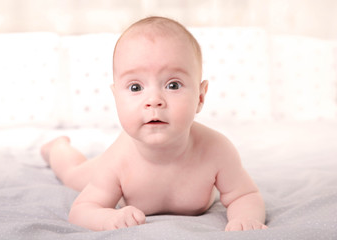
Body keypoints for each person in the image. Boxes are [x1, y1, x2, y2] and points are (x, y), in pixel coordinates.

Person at [41, 16, 267, 232]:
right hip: (112, 162)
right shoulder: (118, 160)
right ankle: (57, 148)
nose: (154, 100)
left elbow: (244, 195)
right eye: (135, 87)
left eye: (173, 85)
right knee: (73, 175)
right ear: (116, 97)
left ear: (200, 97)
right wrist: (109, 218)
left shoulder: (216, 149)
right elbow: (81, 210)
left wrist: (245, 217)